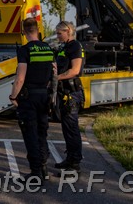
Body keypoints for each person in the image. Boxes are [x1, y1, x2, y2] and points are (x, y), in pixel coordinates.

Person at [9, 17, 54, 182]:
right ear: (38, 29)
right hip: (44, 95)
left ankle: (35, 173)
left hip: (29, 98)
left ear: (24, 32)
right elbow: (52, 74)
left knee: (30, 134)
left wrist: (13, 96)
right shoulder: (48, 49)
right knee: (42, 132)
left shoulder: (25, 50)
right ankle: (44, 168)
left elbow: (20, 78)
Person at [54, 20, 85, 171]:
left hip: (72, 93)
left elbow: (75, 70)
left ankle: (75, 163)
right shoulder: (64, 47)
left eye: (60, 33)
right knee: (67, 129)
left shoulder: (75, 46)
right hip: (64, 92)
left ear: (68, 32)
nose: (57, 36)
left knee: (72, 129)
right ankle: (70, 159)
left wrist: (56, 78)